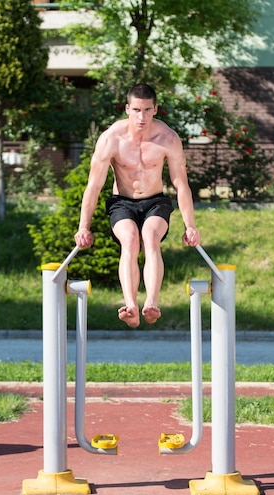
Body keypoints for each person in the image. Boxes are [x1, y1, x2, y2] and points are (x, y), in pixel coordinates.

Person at [74, 83, 200, 328]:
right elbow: (94, 186)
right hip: (122, 202)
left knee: (150, 236)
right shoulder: (111, 139)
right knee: (130, 239)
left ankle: (151, 303)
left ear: (155, 109)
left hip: (155, 201)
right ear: (127, 109)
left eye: (147, 110)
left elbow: (181, 184)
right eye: (136, 110)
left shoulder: (168, 139)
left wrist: (190, 225)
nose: (141, 117)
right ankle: (130, 305)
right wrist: (83, 227)